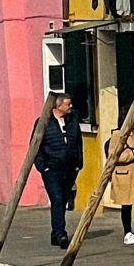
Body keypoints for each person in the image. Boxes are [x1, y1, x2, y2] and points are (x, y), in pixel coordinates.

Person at [35, 94, 84, 247]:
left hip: (69, 168)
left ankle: (55, 232)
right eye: (68, 104)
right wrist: (44, 167)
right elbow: (36, 146)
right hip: (52, 169)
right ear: (58, 106)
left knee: (63, 200)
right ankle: (60, 234)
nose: (70, 107)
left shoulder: (72, 121)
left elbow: (78, 142)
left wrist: (78, 163)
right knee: (57, 199)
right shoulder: (44, 122)